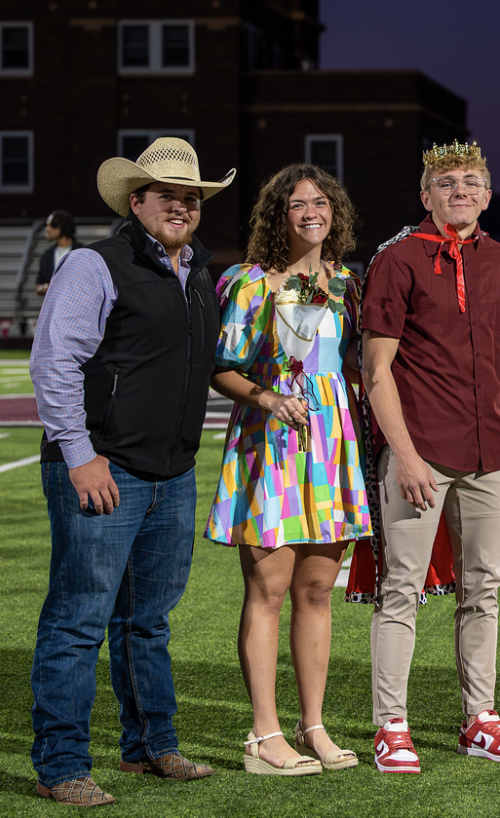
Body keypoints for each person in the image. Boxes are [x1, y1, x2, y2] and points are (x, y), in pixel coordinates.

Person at [29, 137, 232, 805]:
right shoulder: (96, 264)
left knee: (147, 619)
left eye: (191, 196)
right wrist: (80, 454)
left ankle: (150, 746)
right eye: (166, 194)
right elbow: (55, 363)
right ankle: (62, 763)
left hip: (171, 473)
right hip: (102, 469)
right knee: (78, 618)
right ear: (135, 200)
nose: (181, 205)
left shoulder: (197, 271)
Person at [361, 140, 500, 773]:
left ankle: (481, 718)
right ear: (426, 195)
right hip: (421, 454)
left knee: (484, 591)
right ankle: (391, 724)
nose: (461, 190)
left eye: (472, 181)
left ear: (488, 194)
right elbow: (376, 372)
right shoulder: (398, 260)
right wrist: (406, 456)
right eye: (447, 182)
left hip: (489, 452)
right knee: (402, 591)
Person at [205, 164, 370, 775]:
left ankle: (314, 727)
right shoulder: (250, 283)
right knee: (269, 590)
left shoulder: (347, 284)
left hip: (331, 444)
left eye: (321, 201)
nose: (310, 211)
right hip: (269, 439)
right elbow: (222, 367)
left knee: (317, 591)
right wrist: (268, 397)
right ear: (278, 214)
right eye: (296, 202)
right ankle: (263, 735)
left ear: (336, 213)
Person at [35, 210, 84, 296]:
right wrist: (47, 288)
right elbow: (39, 286)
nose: (47, 229)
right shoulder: (47, 255)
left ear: (61, 227)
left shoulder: (82, 252)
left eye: (51, 225)